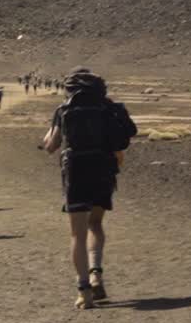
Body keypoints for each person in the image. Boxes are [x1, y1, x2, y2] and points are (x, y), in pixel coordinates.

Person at [43, 68, 137, 309]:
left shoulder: (64, 109)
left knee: (78, 233)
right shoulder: (107, 107)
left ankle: (84, 290)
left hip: (75, 170)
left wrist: (49, 140)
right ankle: (96, 273)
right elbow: (124, 135)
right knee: (95, 224)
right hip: (103, 169)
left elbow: (51, 145)